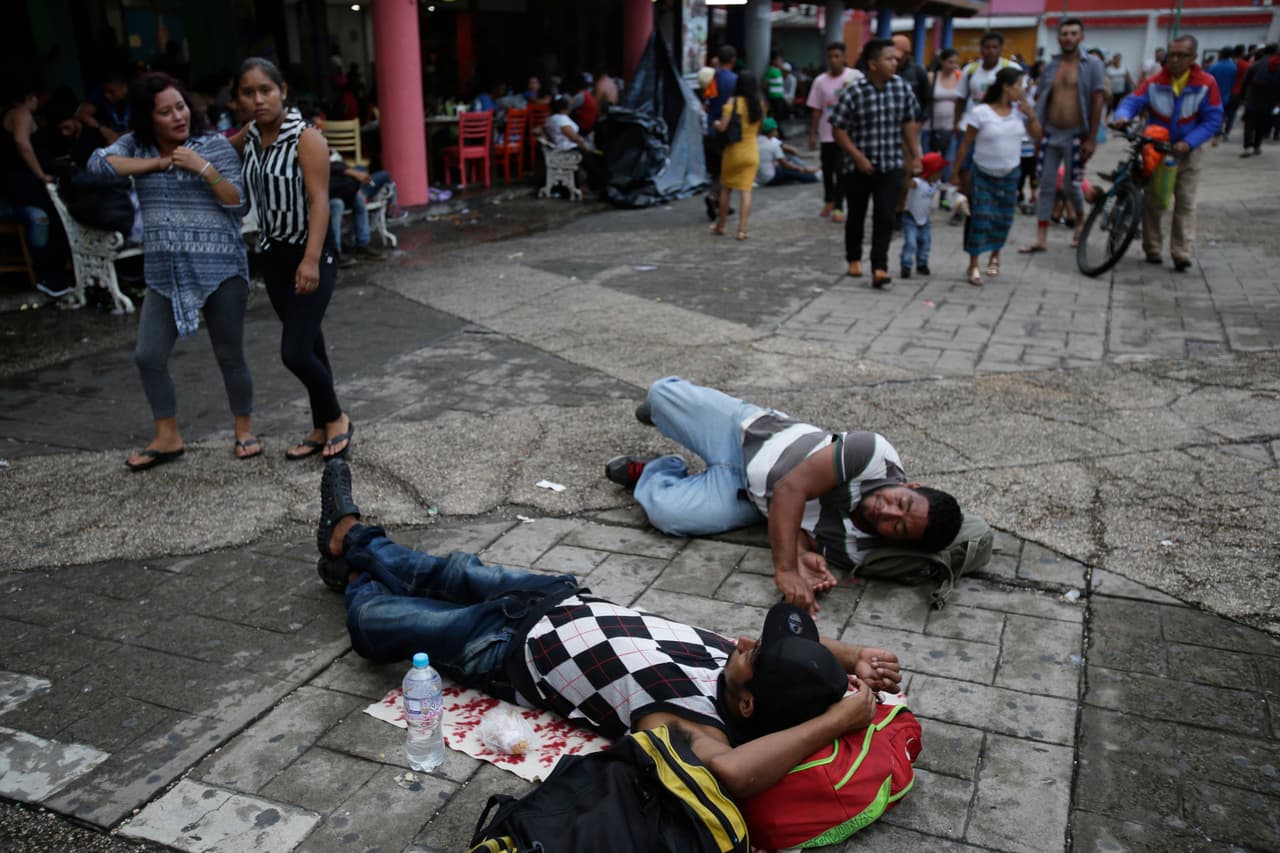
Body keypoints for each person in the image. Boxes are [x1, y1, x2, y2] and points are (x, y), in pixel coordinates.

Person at [313, 458, 900, 796]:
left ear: (748, 707)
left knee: (379, 622)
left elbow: (735, 776)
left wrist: (834, 722)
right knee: (449, 569)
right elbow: (789, 659)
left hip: (504, 650)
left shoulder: (701, 729)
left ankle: (352, 565)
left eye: (754, 655)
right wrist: (849, 659)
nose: (744, 641)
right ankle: (353, 540)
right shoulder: (744, 672)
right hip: (555, 597)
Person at [604, 376, 964, 615]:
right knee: (662, 393)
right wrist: (786, 568)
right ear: (911, 486)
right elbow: (793, 488)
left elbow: (806, 531)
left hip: (747, 497)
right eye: (900, 503)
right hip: (748, 432)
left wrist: (804, 557)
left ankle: (657, 470)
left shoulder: (860, 548)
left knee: (668, 515)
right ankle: (667, 416)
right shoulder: (874, 454)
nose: (888, 514)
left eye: (897, 529)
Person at [88, 72, 256, 471]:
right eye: (165, 112)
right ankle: (168, 436)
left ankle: (244, 429)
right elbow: (99, 165)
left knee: (229, 353)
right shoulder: (138, 147)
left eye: (180, 106)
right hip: (165, 271)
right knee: (148, 355)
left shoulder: (213, 144)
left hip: (220, 267)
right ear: (149, 118)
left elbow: (239, 204)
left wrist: (203, 168)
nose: (178, 116)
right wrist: (159, 163)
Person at [233, 57, 354, 460]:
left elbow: (320, 201)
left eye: (265, 90)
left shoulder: (306, 137)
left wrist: (311, 260)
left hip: (311, 253)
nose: (258, 99)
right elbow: (215, 153)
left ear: (282, 90)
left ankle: (337, 417)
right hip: (274, 257)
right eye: (248, 92)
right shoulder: (250, 135)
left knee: (295, 352)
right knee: (311, 344)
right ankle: (321, 426)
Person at [1113, 34, 1222, 272]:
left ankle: (1181, 252)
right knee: (1154, 199)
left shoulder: (1206, 84)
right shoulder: (1155, 81)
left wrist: (1190, 142)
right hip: (1158, 148)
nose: (1174, 60)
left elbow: (1213, 119)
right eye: (1171, 55)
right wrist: (1122, 116)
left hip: (1188, 151)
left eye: (1181, 55)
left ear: (1193, 58)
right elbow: (1133, 101)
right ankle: (1152, 247)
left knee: (1185, 201)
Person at [829, 38, 924, 288]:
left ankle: (879, 266)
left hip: (891, 163)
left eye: (896, 58)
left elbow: (909, 123)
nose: (895, 62)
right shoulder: (854, 91)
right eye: (889, 58)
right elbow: (838, 128)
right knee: (857, 215)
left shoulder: (901, 88)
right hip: (857, 167)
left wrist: (916, 156)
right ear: (873, 63)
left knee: (885, 216)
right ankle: (853, 257)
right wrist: (857, 157)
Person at [1020, 18, 1107, 254]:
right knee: (1046, 184)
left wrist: (1091, 138)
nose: (1069, 38)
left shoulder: (1092, 65)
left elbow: (1097, 100)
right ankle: (1041, 236)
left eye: (1073, 33)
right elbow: (1042, 101)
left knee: (1072, 185)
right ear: (1059, 38)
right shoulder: (1051, 66)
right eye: (1065, 34)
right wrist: (1038, 135)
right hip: (1050, 132)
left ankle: (1080, 222)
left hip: (1077, 134)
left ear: (1081, 37)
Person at [955, 67, 1042, 286]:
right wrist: (955, 173)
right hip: (983, 172)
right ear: (1006, 87)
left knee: (1003, 218)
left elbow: (1038, 136)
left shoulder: (1020, 112)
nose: (1021, 90)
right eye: (1018, 85)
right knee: (980, 218)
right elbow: (966, 144)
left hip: (1010, 172)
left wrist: (1031, 116)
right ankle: (973, 263)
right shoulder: (981, 112)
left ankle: (995, 256)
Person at [2, 80, 70, 298]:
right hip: (26, 182)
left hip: (23, 182)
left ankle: (56, 273)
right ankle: (49, 275)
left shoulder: (11, 114)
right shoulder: (21, 113)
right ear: (30, 97)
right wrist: (41, 175)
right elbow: (22, 143)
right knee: (51, 219)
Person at [806, 42, 862, 224]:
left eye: (837, 56)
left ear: (844, 57)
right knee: (827, 170)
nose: (833, 60)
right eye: (830, 57)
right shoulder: (820, 81)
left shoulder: (855, 77)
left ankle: (839, 205)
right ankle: (828, 200)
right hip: (826, 133)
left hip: (846, 134)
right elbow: (816, 109)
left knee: (841, 171)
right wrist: (812, 134)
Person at [711, 69, 764, 240]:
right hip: (752, 152)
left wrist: (716, 123)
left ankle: (721, 225)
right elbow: (759, 128)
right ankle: (742, 230)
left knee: (726, 189)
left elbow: (723, 127)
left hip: (733, 152)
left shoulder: (733, 102)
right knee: (746, 191)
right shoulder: (760, 104)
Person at [543, 95, 607, 194]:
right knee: (596, 162)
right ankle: (594, 186)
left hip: (562, 147)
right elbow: (573, 137)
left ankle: (589, 185)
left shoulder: (551, 119)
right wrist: (583, 145)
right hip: (569, 148)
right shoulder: (561, 119)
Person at [704, 45, 739, 221]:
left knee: (716, 169)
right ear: (733, 60)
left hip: (709, 128)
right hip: (726, 130)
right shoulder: (735, 80)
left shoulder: (712, 79)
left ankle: (717, 199)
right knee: (728, 169)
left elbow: (707, 102)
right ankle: (716, 198)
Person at [924, 48, 963, 206]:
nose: (953, 65)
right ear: (942, 62)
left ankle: (944, 196)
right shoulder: (932, 77)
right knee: (930, 163)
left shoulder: (959, 78)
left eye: (955, 62)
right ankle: (926, 194)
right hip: (930, 127)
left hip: (951, 128)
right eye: (950, 62)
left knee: (949, 162)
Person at [899, 151, 946, 279]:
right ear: (932, 171)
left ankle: (922, 263)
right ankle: (906, 265)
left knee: (925, 242)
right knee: (911, 242)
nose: (940, 174)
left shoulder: (936, 183)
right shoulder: (918, 182)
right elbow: (907, 184)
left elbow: (945, 188)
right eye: (939, 171)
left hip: (925, 219)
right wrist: (910, 173)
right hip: (911, 217)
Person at [1239, 43, 1280, 157]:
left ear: (1264, 52)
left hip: (1253, 99)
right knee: (1261, 124)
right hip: (1269, 101)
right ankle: (1257, 146)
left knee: (1249, 124)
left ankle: (1248, 146)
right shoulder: (1277, 66)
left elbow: (1245, 83)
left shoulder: (1256, 65)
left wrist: (1242, 97)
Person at [756, 117, 819, 186]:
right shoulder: (773, 144)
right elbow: (785, 165)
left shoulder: (755, 141)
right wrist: (800, 169)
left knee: (785, 170)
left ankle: (805, 172)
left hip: (759, 179)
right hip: (770, 178)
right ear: (772, 130)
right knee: (791, 171)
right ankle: (813, 177)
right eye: (776, 130)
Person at [76, 71, 132, 145]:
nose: (106, 95)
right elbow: (82, 114)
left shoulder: (137, 94)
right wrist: (102, 128)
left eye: (111, 92)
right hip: (111, 137)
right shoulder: (102, 91)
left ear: (124, 88)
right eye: (105, 92)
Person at [1207, 47, 1238, 145]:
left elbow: (1207, 81)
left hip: (1214, 96)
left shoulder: (1215, 67)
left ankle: (1216, 133)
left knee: (1216, 115)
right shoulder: (1234, 67)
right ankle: (1226, 133)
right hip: (1228, 95)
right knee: (1229, 116)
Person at [1221, 45, 1249, 141]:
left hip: (1223, 92)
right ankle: (1226, 132)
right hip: (1236, 93)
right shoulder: (1244, 65)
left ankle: (1218, 131)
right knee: (1231, 114)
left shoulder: (1225, 64)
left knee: (1221, 113)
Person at [1105, 53, 1135, 119]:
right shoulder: (1109, 69)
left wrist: (1133, 86)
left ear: (1120, 59)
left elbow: (1128, 78)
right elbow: (1106, 79)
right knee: (1109, 106)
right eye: (1115, 58)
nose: (1116, 60)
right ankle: (1106, 119)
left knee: (1118, 105)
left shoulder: (1124, 68)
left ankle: (1115, 119)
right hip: (1111, 91)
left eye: (1118, 58)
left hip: (1121, 91)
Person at [764, 51, 788, 129]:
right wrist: (768, 94)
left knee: (782, 113)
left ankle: (777, 130)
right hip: (773, 97)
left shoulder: (779, 70)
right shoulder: (770, 70)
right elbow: (764, 84)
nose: (781, 62)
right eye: (779, 60)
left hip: (779, 96)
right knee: (776, 116)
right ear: (774, 61)